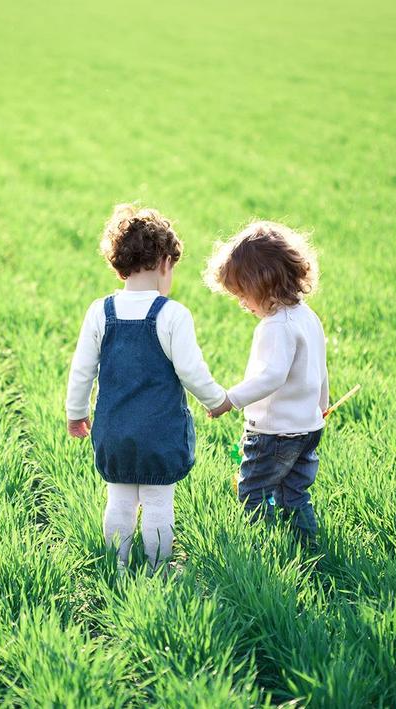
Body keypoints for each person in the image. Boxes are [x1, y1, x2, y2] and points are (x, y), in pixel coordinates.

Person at [66, 204, 227, 572]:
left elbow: (82, 370)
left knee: (119, 501)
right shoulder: (172, 314)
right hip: (160, 433)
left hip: (115, 429)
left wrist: (76, 413)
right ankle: (158, 568)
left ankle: (116, 565)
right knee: (158, 502)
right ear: (164, 263)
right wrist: (216, 400)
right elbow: (192, 371)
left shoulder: (100, 311)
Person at [204, 221, 327, 546]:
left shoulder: (276, 326)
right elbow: (320, 367)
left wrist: (230, 399)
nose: (243, 304)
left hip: (275, 433)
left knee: (252, 491)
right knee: (294, 492)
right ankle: (307, 547)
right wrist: (321, 406)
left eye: (244, 295)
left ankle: (260, 547)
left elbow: (272, 376)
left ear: (263, 284)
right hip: (308, 428)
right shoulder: (307, 316)